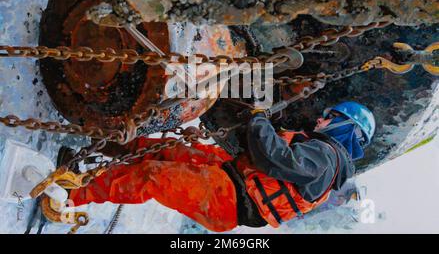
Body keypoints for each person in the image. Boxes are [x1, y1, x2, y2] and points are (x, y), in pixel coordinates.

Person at [64, 101, 375, 232]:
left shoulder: (326, 157)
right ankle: (95, 145)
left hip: (230, 199)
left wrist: (259, 119)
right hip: (231, 177)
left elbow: (277, 159)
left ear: (346, 129)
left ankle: (70, 195)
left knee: (155, 176)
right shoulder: (323, 154)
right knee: (167, 150)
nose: (320, 119)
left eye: (330, 117)